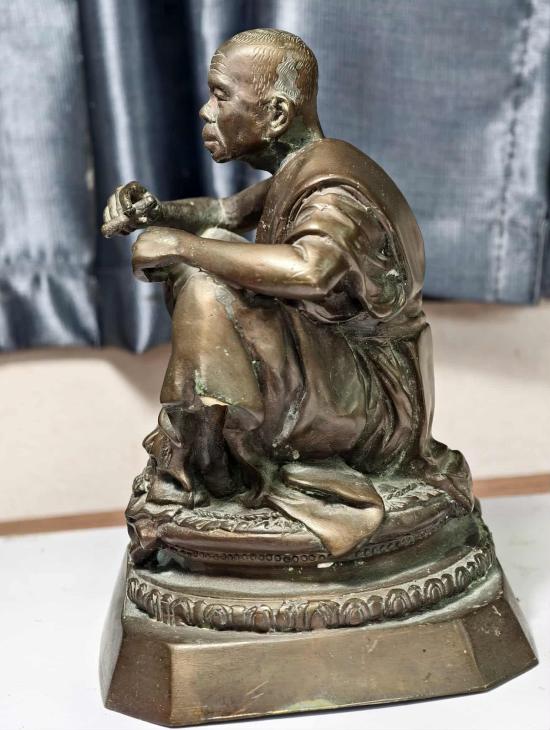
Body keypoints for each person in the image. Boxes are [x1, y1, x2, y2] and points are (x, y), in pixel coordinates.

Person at [103, 29, 473, 557]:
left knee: (205, 282)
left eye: (221, 95)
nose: (206, 111)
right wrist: (157, 213)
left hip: (374, 407)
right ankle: (207, 454)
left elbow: (311, 271)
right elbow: (224, 213)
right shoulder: (299, 167)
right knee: (212, 252)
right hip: (338, 376)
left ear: (276, 114)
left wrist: (183, 247)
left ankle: (200, 468)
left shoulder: (332, 189)